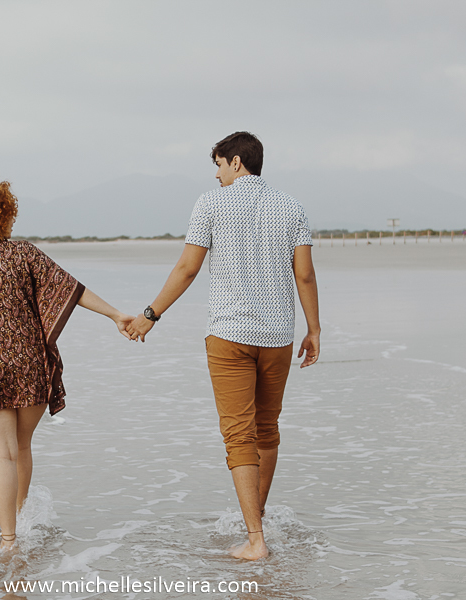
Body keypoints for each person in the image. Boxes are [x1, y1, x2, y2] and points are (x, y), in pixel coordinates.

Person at [127, 132, 320, 560]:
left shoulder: (210, 204)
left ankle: (255, 540)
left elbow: (187, 268)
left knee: (238, 436)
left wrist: (150, 315)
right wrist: (315, 330)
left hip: (230, 336)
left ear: (236, 162)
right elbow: (304, 276)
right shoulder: (292, 207)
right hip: (277, 337)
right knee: (266, 431)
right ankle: (259, 516)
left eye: (218, 165)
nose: (216, 174)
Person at [0, 175, 133, 550]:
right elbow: (72, 289)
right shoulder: (23, 254)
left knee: (0, 455)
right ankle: (21, 521)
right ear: (4, 214)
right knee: (21, 447)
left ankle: (8, 540)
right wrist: (116, 315)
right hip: (28, 366)